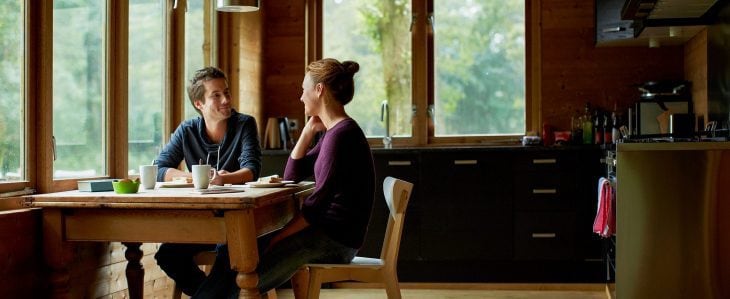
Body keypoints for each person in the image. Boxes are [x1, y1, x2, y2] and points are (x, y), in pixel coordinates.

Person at [193, 58, 375, 298]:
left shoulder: (341, 136)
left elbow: (315, 209)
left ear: (319, 90)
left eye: (303, 89)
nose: (301, 97)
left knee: (244, 279)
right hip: (327, 235)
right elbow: (292, 175)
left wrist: (277, 238)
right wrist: (308, 131)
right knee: (237, 252)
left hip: (334, 242)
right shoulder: (333, 132)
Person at [153, 66, 262, 297]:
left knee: (230, 255)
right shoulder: (187, 130)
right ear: (198, 104)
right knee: (167, 255)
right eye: (216, 95)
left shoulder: (244, 124)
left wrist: (224, 179)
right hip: (200, 223)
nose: (226, 100)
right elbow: (160, 168)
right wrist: (190, 177)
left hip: (235, 224)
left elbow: (252, 170)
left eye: (227, 92)